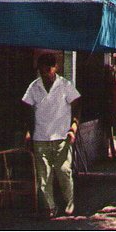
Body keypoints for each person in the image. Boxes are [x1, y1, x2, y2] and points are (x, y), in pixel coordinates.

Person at [22, 53, 81, 218]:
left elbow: (77, 106)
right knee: (44, 177)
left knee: (64, 171)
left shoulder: (65, 85)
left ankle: (69, 203)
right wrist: (28, 132)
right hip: (40, 137)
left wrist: (74, 127)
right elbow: (26, 111)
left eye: (49, 69)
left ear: (56, 68)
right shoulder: (34, 87)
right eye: (42, 70)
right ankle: (50, 207)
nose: (46, 73)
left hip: (62, 137)